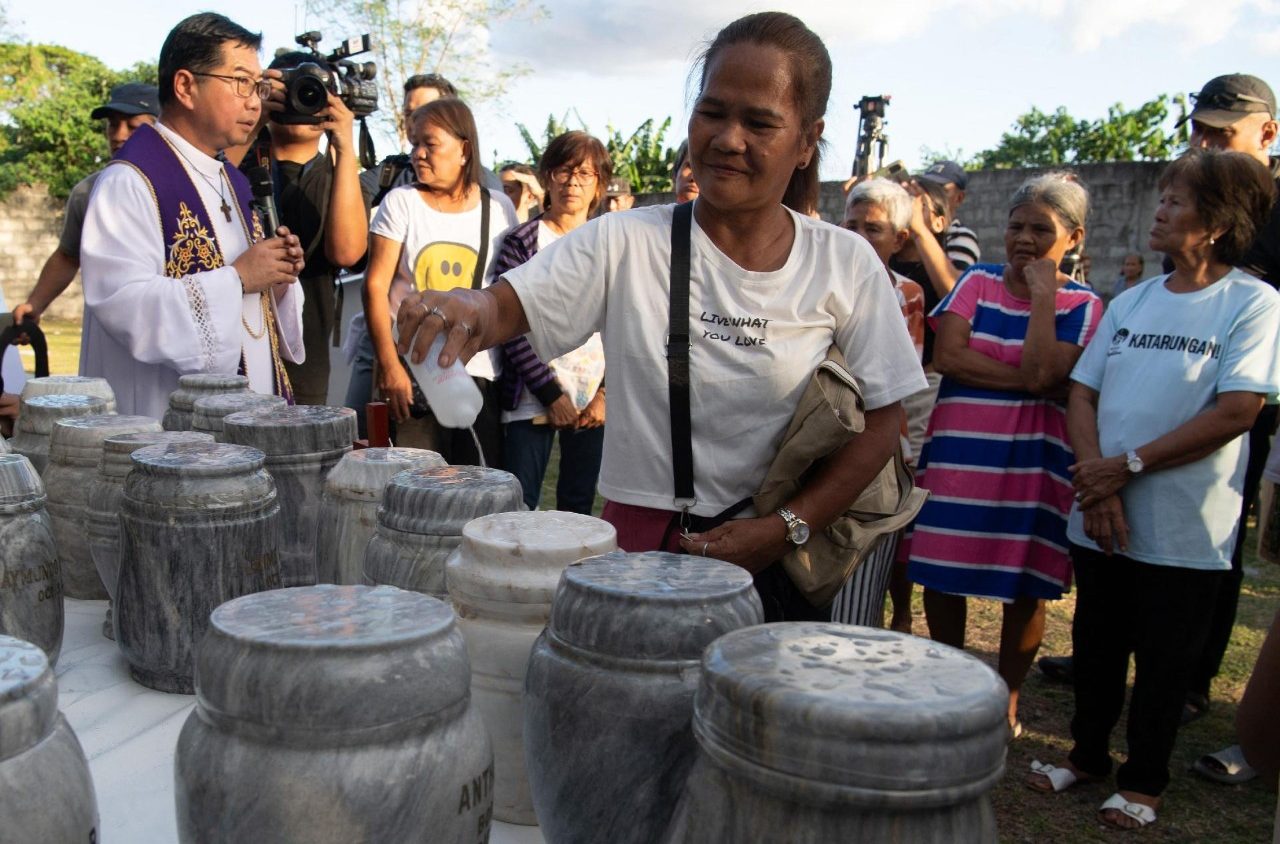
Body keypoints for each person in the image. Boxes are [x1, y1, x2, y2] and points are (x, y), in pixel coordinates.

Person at [392, 12, 926, 622]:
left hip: (781, 563)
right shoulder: (623, 241)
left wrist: (785, 527)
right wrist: (467, 306)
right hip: (640, 553)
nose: (728, 139)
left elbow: (884, 422)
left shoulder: (843, 261)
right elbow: (503, 307)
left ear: (807, 140)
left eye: (760, 122)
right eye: (713, 111)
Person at [1027, 149, 1280, 831]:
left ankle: (1143, 783)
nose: (1159, 211)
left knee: (1165, 661)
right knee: (1098, 643)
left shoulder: (1254, 305)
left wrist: (1127, 466)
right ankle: (1085, 757)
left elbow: (1236, 412)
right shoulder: (1131, 299)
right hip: (1102, 508)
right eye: (1161, 197)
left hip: (1183, 526)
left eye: (1176, 201)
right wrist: (1099, 479)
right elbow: (1083, 391)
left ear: (1221, 222)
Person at [903, 172, 1103, 733]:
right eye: (1016, 226)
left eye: (1041, 229)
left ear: (1074, 238)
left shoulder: (1084, 305)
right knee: (941, 573)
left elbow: (1043, 368)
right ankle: (949, 681)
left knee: (1025, 583)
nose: (1024, 239)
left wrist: (1043, 296)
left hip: (1034, 465)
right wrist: (1038, 383)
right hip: (960, 459)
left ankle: (1007, 697)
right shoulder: (976, 284)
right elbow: (953, 359)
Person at [78, 13, 305, 418]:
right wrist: (238, 278)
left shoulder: (232, 182)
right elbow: (124, 304)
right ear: (185, 86)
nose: (255, 100)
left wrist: (278, 278)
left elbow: (251, 301)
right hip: (163, 424)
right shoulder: (130, 181)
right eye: (240, 83)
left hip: (247, 415)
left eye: (259, 86)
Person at [362, 97, 517, 463]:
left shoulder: (498, 207)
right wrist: (389, 366)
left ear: (464, 150)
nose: (418, 154)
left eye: (429, 144)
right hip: (414, 368)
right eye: (414, 143)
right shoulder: (401, 202)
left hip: (476, 371)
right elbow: (375, 286)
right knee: (415, 488)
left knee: (476, 487)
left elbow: (507, 286)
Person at [240, 50, 372, 406]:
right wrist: (255, 115)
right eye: (285, 86)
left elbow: (347, 252)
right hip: (232, 349)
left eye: (311, 87)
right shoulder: (236, 160)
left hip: (305, 358)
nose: (300, 95)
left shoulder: (340, 177)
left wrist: (345, 148)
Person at [498, 132, 610, 513]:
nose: (573, 183)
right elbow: (508, 325)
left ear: (600, 183)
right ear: (547, 177)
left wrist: (605, 395)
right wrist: (550, 393)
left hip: (594, 399)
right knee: (520, 504)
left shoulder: (612, 242)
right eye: (563, 172)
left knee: (578, 507)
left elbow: (630, 319)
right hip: (532, 398)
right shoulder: (523, 240)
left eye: (585, 174)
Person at [836, 178, 924, 629]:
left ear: (900, 238)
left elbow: (889, 381)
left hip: (880, 442)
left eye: (874, 229)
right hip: (821, 435)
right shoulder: (825, 277)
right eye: (851, 225)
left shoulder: (905, 294)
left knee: (862, 562)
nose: (859, 237)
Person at [13, 83, 160, 328]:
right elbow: (68, 256)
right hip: (110, 334)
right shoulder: (88, 193)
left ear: (160, 131)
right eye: (113, 124)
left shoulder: (185, 187)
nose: (118, 135)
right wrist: (35, 304)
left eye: (132, 126)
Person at [916, 159, 982, 269]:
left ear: (959, 198)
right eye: (928, 188)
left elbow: (955, 284)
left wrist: (919, 233)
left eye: (941, 190)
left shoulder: (960, 236)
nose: (931, 194)